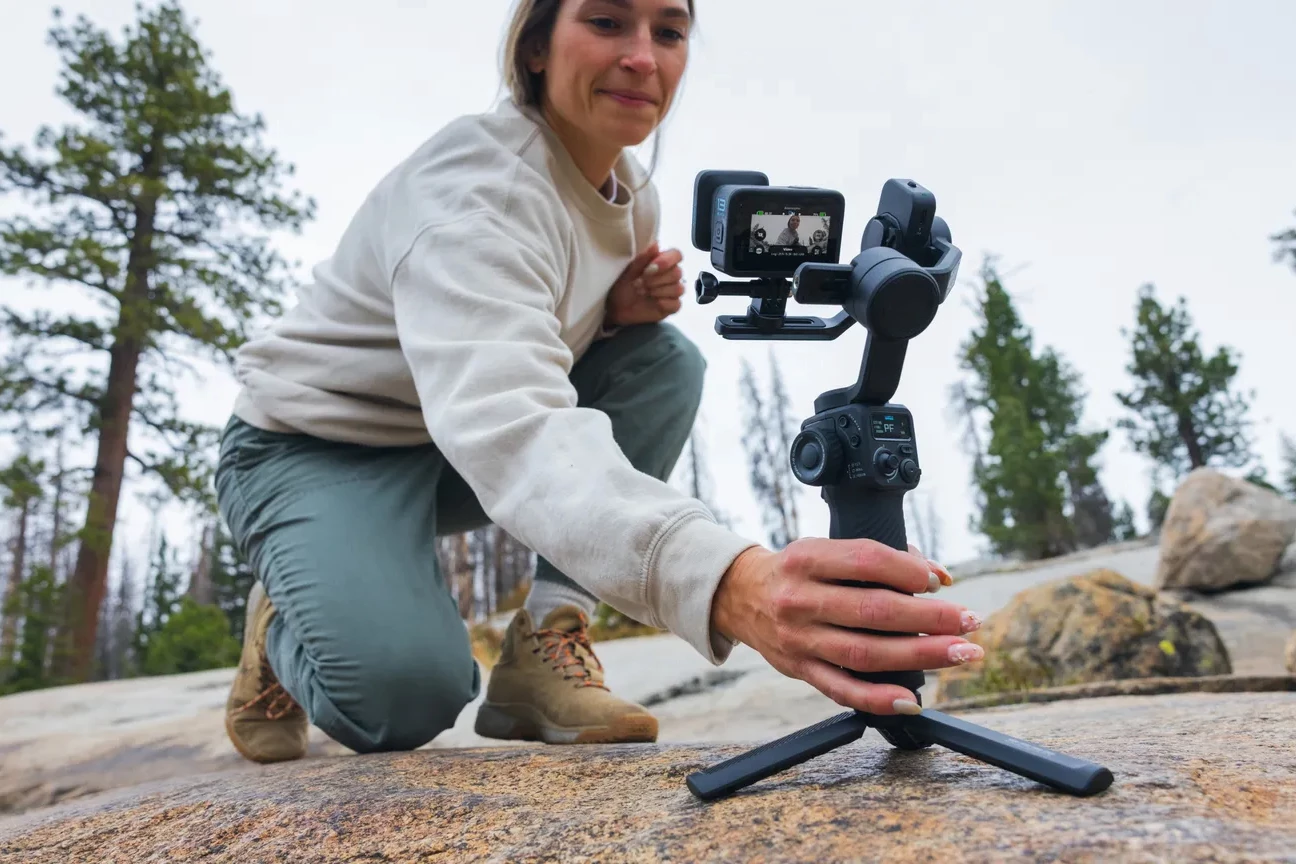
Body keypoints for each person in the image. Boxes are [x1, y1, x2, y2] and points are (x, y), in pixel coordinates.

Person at [216, 0, 985, 765]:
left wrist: (609, 318)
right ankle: (283, 620)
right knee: (401, 698)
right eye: (608, 22)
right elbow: (516, 429)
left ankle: (544, 649)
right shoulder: (471, 191)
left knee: (662, 361)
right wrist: (727, 582)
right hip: (312, 450)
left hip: (443, 443)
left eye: (669, 32)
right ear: (536, 47)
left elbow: (520, 341)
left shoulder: (631, 194)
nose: (644, 58)